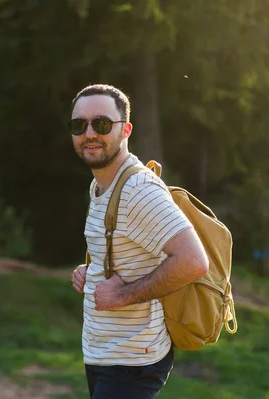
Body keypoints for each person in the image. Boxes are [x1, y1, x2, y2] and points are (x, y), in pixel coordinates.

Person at [69, 84, 209, 398]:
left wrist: (122, 296)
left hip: (131, 362)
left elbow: (193, 261)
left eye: (102, 124)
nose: (89, 132)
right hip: (104, 355)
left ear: (126, 129)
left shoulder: (138, 190)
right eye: (80, 125)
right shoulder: (101, 184)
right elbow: (128, 251)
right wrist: (89, 273)